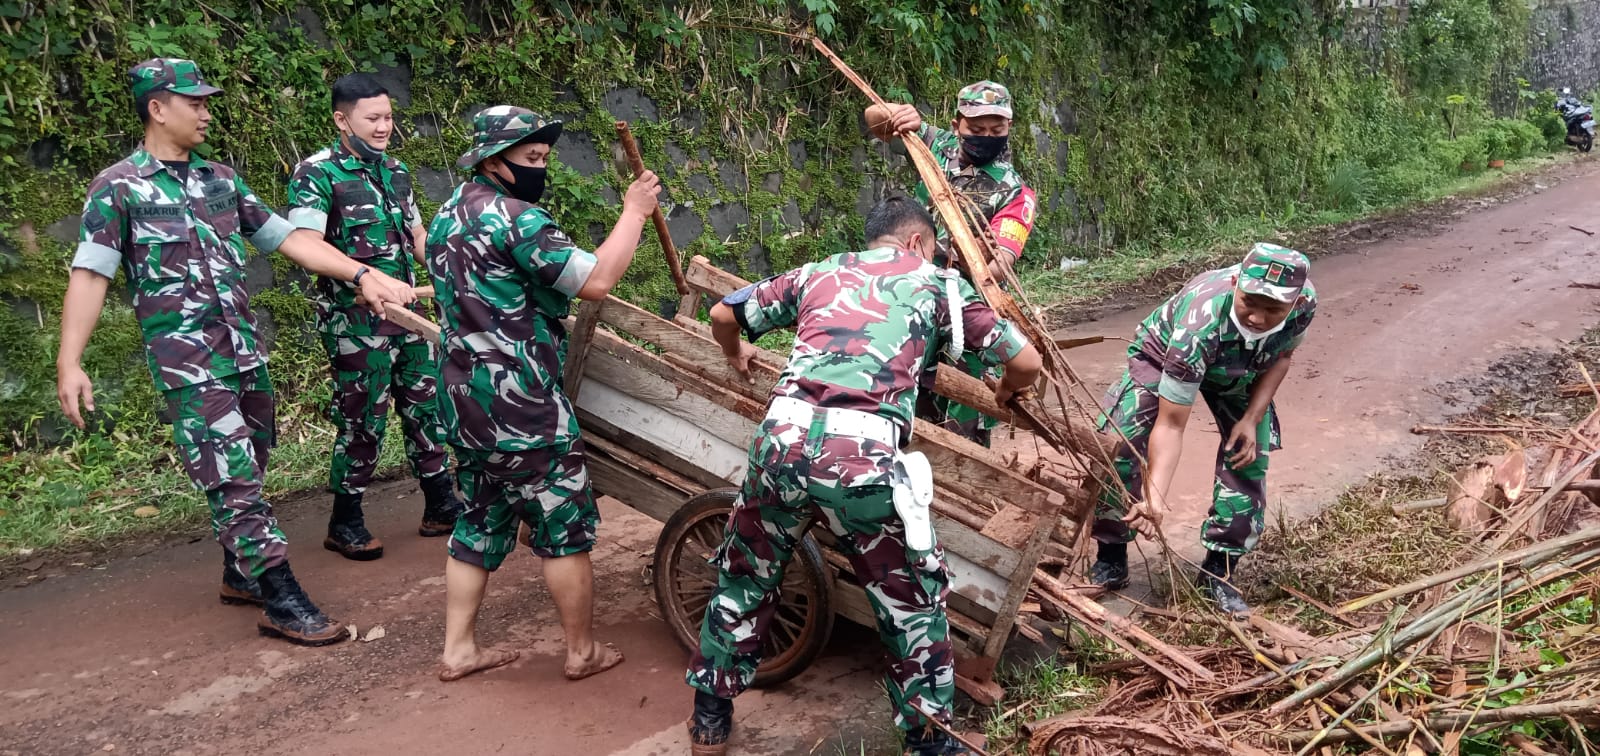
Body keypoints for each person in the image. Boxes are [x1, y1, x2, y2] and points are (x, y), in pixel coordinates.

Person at [56, 58, 415, 645]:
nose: (205, 113)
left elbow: (288, 239)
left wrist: (361, 274)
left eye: (207, 102)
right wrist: (69, 361)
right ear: (157, 108)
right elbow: (91, 273)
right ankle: (280, 597)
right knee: (234, 478)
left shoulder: (220, 179)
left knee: (253, 458)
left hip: (244, 352)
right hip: (188, 362)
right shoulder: (118, 187)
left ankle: (239, 573)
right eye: (194, 103)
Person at [684, 196, 1042, 756]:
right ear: (918, 243)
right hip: (863, 460)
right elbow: (1027, 363)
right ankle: (929, 742)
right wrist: (1004, 390)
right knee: (911, 603)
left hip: (780, 445)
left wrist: (735, 352)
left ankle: (709, 719)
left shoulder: (817, 272)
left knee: (745, 577)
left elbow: (722, 316)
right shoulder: (938, 284)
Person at [425, 106, 660, 682]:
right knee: (563, 526)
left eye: (544, 158)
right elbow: (595, 281)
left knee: (478, 519)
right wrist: (634, 212)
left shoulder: (446, 215)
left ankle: (458, 650)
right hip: (522, 405)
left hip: (464, 400)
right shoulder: (517, 220)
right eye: (530, 158)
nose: (540, 168)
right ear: (492, 161)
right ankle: (582, 652)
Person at [286, 72, 462, 561]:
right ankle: (345, 520)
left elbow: (418, 237)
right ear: (342, 121)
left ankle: (440, 504)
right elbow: (306, 244)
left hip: (410, 316)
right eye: (373, 119)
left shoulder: (395, 171)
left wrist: (453, 272)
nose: (384, 127)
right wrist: (364, 276)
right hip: (356, 324)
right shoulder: (316, 173)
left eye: (388, 117)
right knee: (363, 420)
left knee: (427, 408)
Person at [1088, 243, 1316, 615]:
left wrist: (1251, 418)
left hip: (1242, 368)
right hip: (1165, 357)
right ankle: (1111, 557)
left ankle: (1217, 574)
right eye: (1249, 302)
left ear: (1293, 303)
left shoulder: (1304, 303)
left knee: (1249, 456)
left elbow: (1282, 356)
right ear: (1235, 282)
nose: (1258, 318)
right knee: (1121, 441)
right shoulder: (1198, 325)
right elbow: (1171, 424)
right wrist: (1156, 498)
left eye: (1273, 309)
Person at [863, 81, 1038, 446]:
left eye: (996, 130)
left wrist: (973, 257)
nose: (986, 137)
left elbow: (1000, 266)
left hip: (965, 317)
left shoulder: (1015, 192)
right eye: (977, 128)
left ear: (1009, 127)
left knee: (964, 426)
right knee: (904, 402)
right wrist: (897, 115)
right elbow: (874, 119)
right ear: (957, 124)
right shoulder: (936, 146)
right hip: (913, 301)